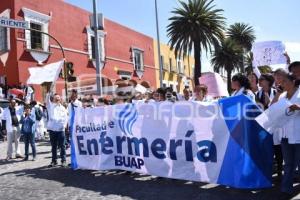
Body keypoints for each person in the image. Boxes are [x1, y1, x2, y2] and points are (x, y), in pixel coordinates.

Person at [276, 73, 300, 196]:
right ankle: (286, 188)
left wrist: (298, 108)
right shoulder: (282, 96)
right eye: (281, 82)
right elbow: (272, 108)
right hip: (285, 134)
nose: (282, 84)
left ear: (293, 81)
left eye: (284, 81)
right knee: (288, 164)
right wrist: (277, 94)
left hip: (298, 135)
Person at [46, 93, 68, 167]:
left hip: (61, 130)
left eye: (58, 98)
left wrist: (64, 126)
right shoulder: (50, 106)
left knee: (62, 146)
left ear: (60, 99)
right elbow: (47, 100)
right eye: (56, 98)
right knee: (54, 146)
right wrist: (48, 93)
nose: (57, 99)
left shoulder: (63, 108)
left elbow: (66, 118)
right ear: (54, 99)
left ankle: (63, 160)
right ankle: (54, 161)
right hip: (52, 130)